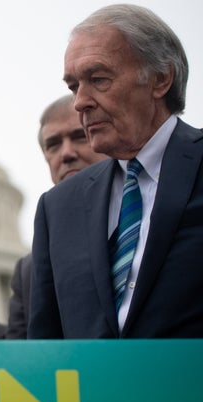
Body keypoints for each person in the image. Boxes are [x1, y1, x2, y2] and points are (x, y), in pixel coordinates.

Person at [29, 4, 203, 338]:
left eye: (98, 79)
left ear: (161, 78)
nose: (80, 102)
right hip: (93, 391)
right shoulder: (58, 207)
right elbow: (46, 346)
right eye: (73, 86)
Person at [6, 95, 107, 339]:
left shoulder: (141, 223)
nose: (66, 153)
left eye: (79, 136)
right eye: (53, 145)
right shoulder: (28, 272)